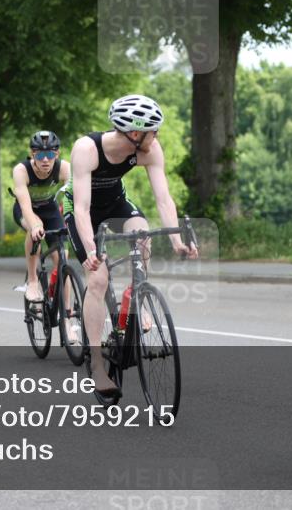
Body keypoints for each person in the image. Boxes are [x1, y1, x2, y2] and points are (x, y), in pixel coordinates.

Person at [64, 94, 198, 399]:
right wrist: (91, 250)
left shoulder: (148, 150)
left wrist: (177, 242)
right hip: (80, 209)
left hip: (116, 202)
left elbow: (163, 198)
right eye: (154, 131)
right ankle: (97, 364)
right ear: (135, 134)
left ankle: (137, 293)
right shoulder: (87, 149)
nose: (158, 136)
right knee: (98, 280)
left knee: (142, 232)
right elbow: (83, 209)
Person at [10, 131, 71, 330]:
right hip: (26, 209)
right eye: (40, 155)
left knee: (63, 261)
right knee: (33, 228)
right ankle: (33, 280)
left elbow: (76, 198)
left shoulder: (64, 168)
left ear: (57, 153)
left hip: (51, 210)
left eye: (51, 155)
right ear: (32, 154)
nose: (45, 160)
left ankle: (67, 317)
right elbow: (25, 205)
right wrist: (35, 225)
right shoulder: (21, 170)